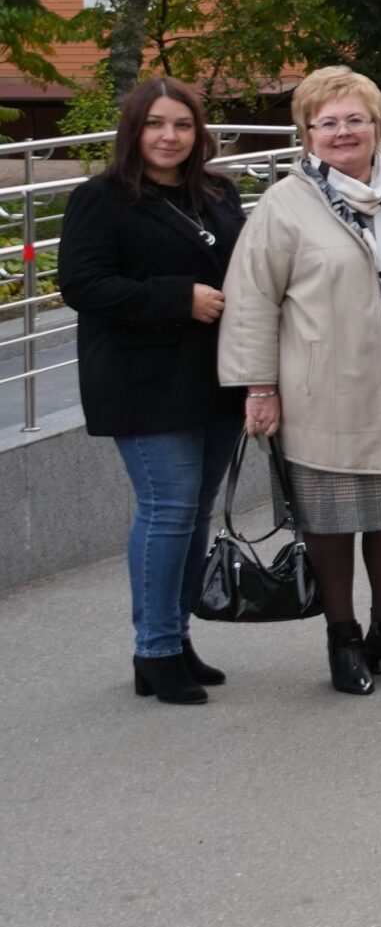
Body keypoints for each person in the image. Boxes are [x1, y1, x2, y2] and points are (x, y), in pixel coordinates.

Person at [219, 66, 381, 696]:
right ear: (307, 133)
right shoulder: (286, 203)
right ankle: (343, 638)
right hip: (322, 383)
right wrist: (258, 386)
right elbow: (251, 298)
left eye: (356, 119)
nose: (343, 132)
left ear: (378, 126)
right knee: (330, 516)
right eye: (328, 123)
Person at [60, 79, 246, 705]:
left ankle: (176, 636)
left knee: (194, 512)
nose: (170, 136)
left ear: (199, 133)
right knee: (167, 509)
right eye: (156, 124)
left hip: (214, 376)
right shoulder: (101, 198)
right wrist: (178, 298)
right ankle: (156, 650)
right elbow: (82, 284)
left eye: (183, 125)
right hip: (141, 381)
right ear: (133, 130)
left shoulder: (217, 194)